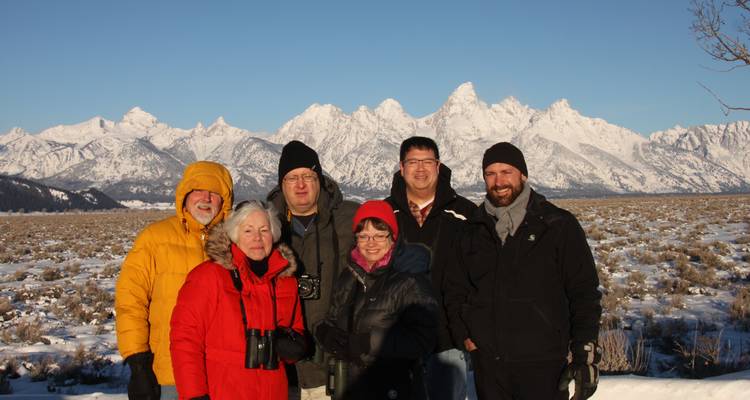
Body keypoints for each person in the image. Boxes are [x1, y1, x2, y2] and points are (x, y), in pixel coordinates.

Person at [444, 142, 603, 400]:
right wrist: (466, 336)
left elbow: (583, 293)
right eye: (491, 174)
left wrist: (585, 356)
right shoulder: (472, 229)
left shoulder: (557, 225)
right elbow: (455, 289)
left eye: (507, 171)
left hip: (544, 366)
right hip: (489, 367)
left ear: (523, 174)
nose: (498, 181)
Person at [115, 161, 234, 399]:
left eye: (214, 193)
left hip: (225, 373)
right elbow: (130, 301)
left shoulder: (238, 239)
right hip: (169, 373)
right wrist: (138, 363)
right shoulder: (155, 238)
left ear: (225, 201)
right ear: (185, 195)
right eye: (198, 190)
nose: (206, 198)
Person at [170, 200, 307, 399]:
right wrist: (194, 394)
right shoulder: (209, 276)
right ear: (235, 234)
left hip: (273, 391)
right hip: (223, 390)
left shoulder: (286, 282)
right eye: (248, 231)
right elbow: (185, 340)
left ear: (274, 234)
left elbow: (297, 328)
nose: (257, 238)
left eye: (264, 230)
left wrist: (293, 344)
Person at [314, 200, 439, 400]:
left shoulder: (410, 279)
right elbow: (332, 317)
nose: (371, 243)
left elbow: (423, 340)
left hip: (394, 388)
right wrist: (325, 333)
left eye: (380, 236)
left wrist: (369, 342)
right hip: (352, 387)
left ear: (393, 237)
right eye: (364, 236)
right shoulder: (349, 277)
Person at [385, 136, 478, 400]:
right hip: (397, 341)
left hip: (447, 341)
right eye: (413, 162)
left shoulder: (465, 214)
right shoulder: (384, 214)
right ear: (402, 168)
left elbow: (479, 275)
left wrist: (468, 327)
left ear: (439, 166)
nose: (421, 169)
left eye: (428, 161)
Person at [266, 140, 358, 400]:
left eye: (308, 176)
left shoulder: (349, 219)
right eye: (292, 178)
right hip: (282, 368)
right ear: (281, 186)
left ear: (320, 180)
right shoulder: (265, 228)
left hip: (336, 365)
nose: (301, 184)